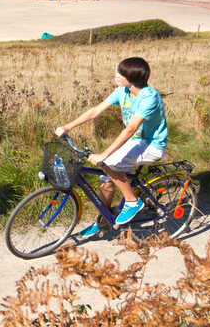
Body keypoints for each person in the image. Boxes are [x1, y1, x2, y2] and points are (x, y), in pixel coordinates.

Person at [55, 57, 167, 238]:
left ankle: (132, 202)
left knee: (109, 163)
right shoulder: (122, 91)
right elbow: (95, 111)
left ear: (130, 78)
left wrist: (104, 154)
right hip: (136, 141)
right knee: (105, 179)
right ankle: (104, 221)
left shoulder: (149, 98)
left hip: (152, 144)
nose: (116, 75)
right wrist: (68, 126)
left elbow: (130, 129)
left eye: (120, 73)